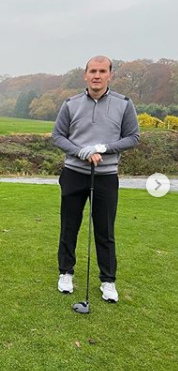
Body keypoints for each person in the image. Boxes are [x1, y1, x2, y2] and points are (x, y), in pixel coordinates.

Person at [52, 56, 140, 303]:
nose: (97, 76)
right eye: (93, 71)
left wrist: (105, 148)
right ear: (85, 75)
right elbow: (57, 136)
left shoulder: (124, 104)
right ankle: (66, 272)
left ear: (110, 75)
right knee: (69, 226)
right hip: (73, 173)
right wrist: (81, 151)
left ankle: (108, 280)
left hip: (106, 175)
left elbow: (133, 137)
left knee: (105, 229)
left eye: (102, 71)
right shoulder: (71, 104)